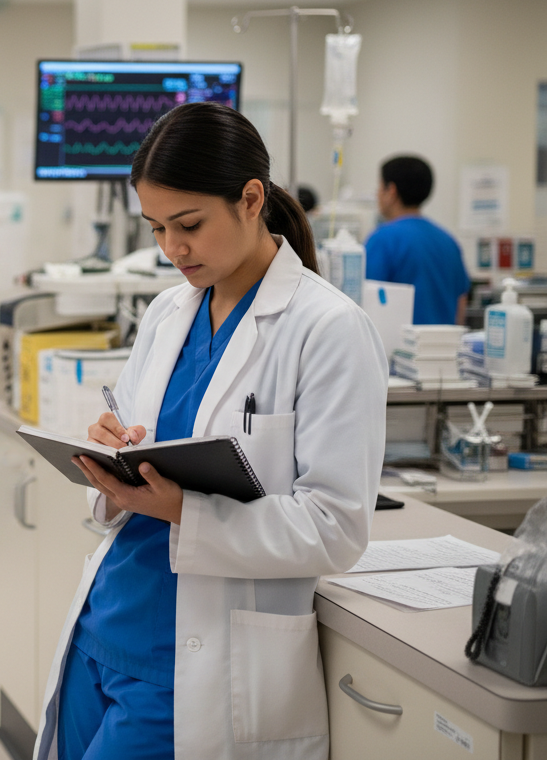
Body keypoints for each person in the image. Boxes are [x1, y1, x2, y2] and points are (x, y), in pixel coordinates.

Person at [35, 102, 388, 760]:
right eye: (158, 228)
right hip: (104, 627)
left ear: (251, 199)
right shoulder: (169, 310)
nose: (172, 249)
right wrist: (114, 462)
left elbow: (337, 527)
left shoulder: (328, 329)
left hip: (193, 665)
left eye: (188, 225)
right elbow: (137, 462)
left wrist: (183, 512)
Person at [365, 155, 471, 325]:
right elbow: (461, 302)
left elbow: (365, 302)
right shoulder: (448, 241)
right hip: (445, 347)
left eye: (379, 187)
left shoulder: (382, 239)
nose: (377, 194)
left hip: (397, 349)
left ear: (391, 191)